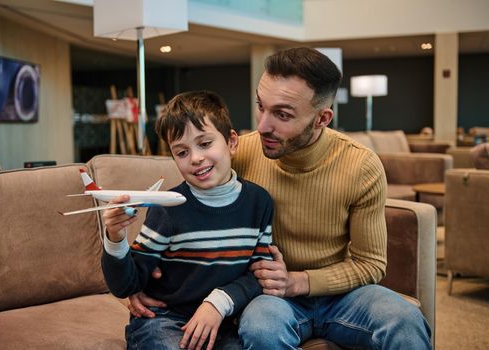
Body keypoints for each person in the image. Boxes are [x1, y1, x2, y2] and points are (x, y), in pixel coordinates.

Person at [128, 47, 432, 349]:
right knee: (262, 329)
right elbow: (185, 206)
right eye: (261, 106)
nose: (262, 126)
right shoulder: (241, 151)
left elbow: (370, 264)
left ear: (322, 118)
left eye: (282, 115)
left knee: (405, 320)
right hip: (269, 296)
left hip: (343, 296)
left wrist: (299, 281)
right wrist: (142, 278)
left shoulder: (361, 166)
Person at [101, 91, 273, 350]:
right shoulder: (167, 209)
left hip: (223, 319)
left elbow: (259, 275)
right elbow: (127, 284)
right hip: (164, 320)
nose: (195, 158)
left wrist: (218, 304)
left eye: (205, 144)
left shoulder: (259, 203)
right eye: (181, 152)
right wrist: (115, 239)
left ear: (232, 142)